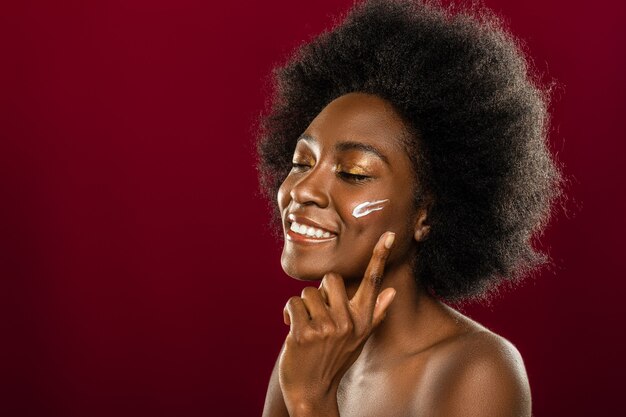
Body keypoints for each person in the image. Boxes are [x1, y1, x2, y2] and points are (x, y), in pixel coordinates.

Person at [255, 0, 564, 416]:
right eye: (301, 163)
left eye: (354, 172)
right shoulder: (308, 353)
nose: (303, 189)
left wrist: (312, 401)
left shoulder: (478, 371)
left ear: (427, 214)